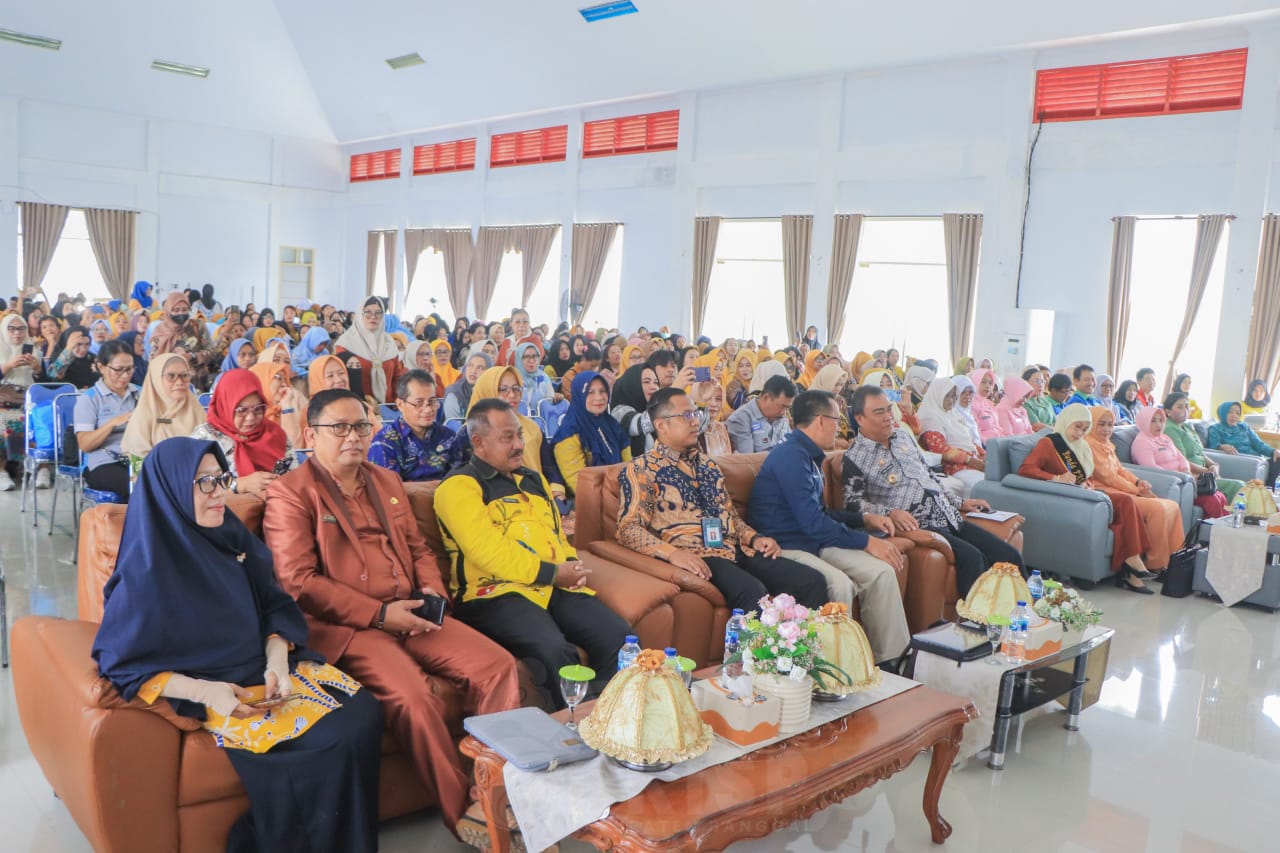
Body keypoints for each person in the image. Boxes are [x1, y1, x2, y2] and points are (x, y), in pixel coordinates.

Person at [93, 438, 381, 852]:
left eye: (221, 479)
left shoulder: (231, 536)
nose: (218, 493)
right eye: (203, 482)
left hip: (267, 668)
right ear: (170, 490)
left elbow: (274, 603)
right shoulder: (145, 573)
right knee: (330, 740)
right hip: (221, 688)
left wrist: (277, 661)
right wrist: (206, 693)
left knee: (362, 712)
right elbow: (120, 664)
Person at [266, 390, 520, 833]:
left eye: (362, 427)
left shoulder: (385, 481)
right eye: (339, 428)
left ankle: (493, 798)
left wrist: (431, 591)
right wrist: (381, 615)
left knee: (498, 666)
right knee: (415, 698)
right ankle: (464, 815)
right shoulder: (292, 493)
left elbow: (419, 549)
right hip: (354, 627)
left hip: (416, 613)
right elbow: (298, 582)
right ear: (310, 436)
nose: (353, 436)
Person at [434, 398, 627, 708]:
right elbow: (488, 551)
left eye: (519, 435)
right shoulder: (459, 487)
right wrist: (553, 573)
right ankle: (575, 727)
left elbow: (556, 536)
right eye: (507, 437)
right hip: (494, 593)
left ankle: (612, 715)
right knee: (555, 652)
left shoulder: (532, 480)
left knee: (618, 637)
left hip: (551, 584)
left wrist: (570, 565)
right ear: (479, 442)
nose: (519, 445)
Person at [617, 388, 828, 613]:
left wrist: (754, 538)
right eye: (686, 415)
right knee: (752, 592)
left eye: (696, 414)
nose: (695, 421)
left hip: (735, 549)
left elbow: (730, 516)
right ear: (661, 425)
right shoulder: (642, 469)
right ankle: (756, 638)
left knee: (812, 581)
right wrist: (672, 554)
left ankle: (803, 637)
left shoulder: (708, 466)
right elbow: (629, 528)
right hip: (696, 554)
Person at [746, 390, 909, 664]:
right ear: (821, 420)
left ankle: (892, 661)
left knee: (881, 572)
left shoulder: (809, 455)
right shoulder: (790, 457)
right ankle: (838, 666)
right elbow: (813, 523)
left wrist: (864, 519)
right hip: (785, 545)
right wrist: (867, 542)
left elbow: (819, 515)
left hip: (813, 541)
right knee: (839, 584)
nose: (840, 428)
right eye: (837, 420)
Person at [842, 386, 1024, 598]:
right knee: (973, 558)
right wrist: (889, 512)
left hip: (948, 515)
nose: (888, 416)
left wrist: (959, 502)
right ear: (860, 418)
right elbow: (853, 503)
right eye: (879, 412)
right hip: (920, 523)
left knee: (1008, 555)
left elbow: (928, 475)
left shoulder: (902, 437)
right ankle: (976, 618)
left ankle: (1027, 610)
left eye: (889, 409)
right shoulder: (855, 457)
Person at [1017, 403, 1156, 593]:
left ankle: (1133, 564)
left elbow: (1087, 474)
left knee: (1126, 502)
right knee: (1123, 506)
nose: (1079, 433)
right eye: (1077, 427)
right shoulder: (1049, 443)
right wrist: (1055, 478)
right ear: (1067, 421)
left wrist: (1088, 483)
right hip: (1067, 498)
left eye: (1084, 429)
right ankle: (1132, 567)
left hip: (1087, 493)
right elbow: (1026, 469)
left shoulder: (1082, 445)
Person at [1086, 406, 1191, 569]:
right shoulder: (1089, 445)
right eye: (1101, 424)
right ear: (1091, 424)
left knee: (1172, 506)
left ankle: (1176, 560)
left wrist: (1138, 482)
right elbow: (1108, 476)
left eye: (1110, 424)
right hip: (1108, 494)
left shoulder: (1107, 444)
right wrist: (1137, 490)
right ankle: (1156, 563)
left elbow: (1120, 470)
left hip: (1123, 490)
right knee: (1158, 509)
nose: (1107, 429)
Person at [192, 369, 291, 497]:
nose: (250, 418)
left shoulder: (274, 434)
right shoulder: (205, 438)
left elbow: (295, 474)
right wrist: (239, 485)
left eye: (258, 409)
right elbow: (195, 486)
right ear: (225, 406)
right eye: (241, 410)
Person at [1129, 405, 1227, 519]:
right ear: (1144, 422)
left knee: (1220, 496)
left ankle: (1220, 527)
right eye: (1153, 421)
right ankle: (1215, 529)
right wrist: (1183, 477)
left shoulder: (1165, 438)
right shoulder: (1141, 443)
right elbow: (1152, 468)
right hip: (1171, 482)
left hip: (1185, 479)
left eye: (1161, 420)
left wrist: (1186, 471)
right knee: (1212, 500)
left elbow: (1181, 458)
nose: (1159, 425)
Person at [73, 339, 140, 501]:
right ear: (101, 367)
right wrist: (112, 423)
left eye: (129, 369)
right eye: (118, 370)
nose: (125, 375)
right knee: (137, 486)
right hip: (104, 462)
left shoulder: (141, 393)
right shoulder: (89, 398)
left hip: (138, 458)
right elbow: (85, 444)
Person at [367, 369, 461, 482]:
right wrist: (434, 487)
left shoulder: (448, 436)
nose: (428, 409)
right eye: (419, 403)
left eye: (432, 401)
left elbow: (462, 477)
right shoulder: (385, 442)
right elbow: (387, 487)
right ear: (400, 404)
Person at [552, 371, 631, 496]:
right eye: (590, 392)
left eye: (602, 391)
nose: (599, 397)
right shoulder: (568, 434)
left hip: (622, 493)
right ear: (579, 395)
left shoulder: (612, 425)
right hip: (593, 499)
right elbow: (579, 484)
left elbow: (630, 466)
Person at [121, 353, 207, 459]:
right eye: (171, 376)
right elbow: (139, 460)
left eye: (184, 375)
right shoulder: (143, 416)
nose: (179, 382)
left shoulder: (196, 411)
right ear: (156, 379)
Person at [1163, 391, 1242, 502]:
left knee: (1245, 486)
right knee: (1238, 486)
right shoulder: (1169, 428)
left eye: (1187, 406)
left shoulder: (1187, 426)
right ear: (1168, 411)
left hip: (1205, 474)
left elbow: (1200, 452)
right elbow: (1182, 461)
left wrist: (1213, 465)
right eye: (1180, 407)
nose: (1185, 410)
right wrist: (1207, 471)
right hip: (1194, 477)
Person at [915, 377, 985, 496]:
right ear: (938, 394)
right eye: (948, 396)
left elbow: (968, 440)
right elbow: (940, 449)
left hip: (971, 460)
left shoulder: (953, 414)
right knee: (984, 485)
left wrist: (982, 454)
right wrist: (969, 460)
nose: (952, 400)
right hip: (953, 466)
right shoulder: (930, 416)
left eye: (954, 396)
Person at [0, 315, 44, 490]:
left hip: (28, 399)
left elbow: (43, 382)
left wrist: (37, 369)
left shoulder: (35, 351)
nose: (17, 333)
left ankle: (40, 469)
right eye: (11, 329)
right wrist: (8, 365)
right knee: (5, 420)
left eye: (21, 328)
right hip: (3, 400)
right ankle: (2, 471)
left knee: (43, 421)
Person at [334, 296, 405, 405]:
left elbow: (398, 377)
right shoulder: (346, 343)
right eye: (368, 312)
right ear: (359, 315)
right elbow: (340, 380)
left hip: (388, 406)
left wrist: (396, 404)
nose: (373, 317)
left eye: (378, 313)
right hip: (358, 406)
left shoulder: (389, 342)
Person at [1207, 401, 1280, 482]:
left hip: (1257, 458)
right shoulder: (1214, 429)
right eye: (1230, 412)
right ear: (1222, 412)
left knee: (1278, 459)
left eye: (1238, 413)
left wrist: (1273, 451)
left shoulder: (1243, 426)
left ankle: (1270, 489)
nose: (1234, 416)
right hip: (1243, 460)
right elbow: (1212, 446)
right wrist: (1221, 446)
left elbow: (1258, 444)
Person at [725, 374, 795, 453]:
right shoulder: (741, 419)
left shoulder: (781, 417)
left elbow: (791, 447)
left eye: (787, 408)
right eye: (782, 406)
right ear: (766, 398)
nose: (784, 412)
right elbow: (747, 459)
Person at [610, 363, 662, 457]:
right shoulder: (619, 412)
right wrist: (668, 399)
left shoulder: (649, 408)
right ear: (632, 384)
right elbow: (642, 424)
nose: (654, 387)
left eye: (656, 382)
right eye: (646, 382)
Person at [442, 352, 492, 422]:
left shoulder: (492, 393)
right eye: (470, 365)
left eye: (480, 367)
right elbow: (454, 426)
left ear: (489, 372)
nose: (473, 371)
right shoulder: (455, 394)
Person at [692, 380, 733, 455]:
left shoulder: (721, 428)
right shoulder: (691, 430)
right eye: (708, 398)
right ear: (697, 399)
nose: (714, 404)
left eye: (718, 399)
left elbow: (729, 459)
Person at [515, 341, 553, 415]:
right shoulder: (513, 378)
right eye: (526, 357)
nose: (531, 360)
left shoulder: (543, 378)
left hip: (541, 420)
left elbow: (550, 400)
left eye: (535, 356)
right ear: (519, 358)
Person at [968, 368, 1003, 443]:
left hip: (998, 443)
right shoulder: (971, 404)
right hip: (985, 445)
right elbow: (976, 434)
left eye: (990, 383)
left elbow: (997, 428)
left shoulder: (989, 403)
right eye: (983, 382)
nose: (988, 386)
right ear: (975, 382)